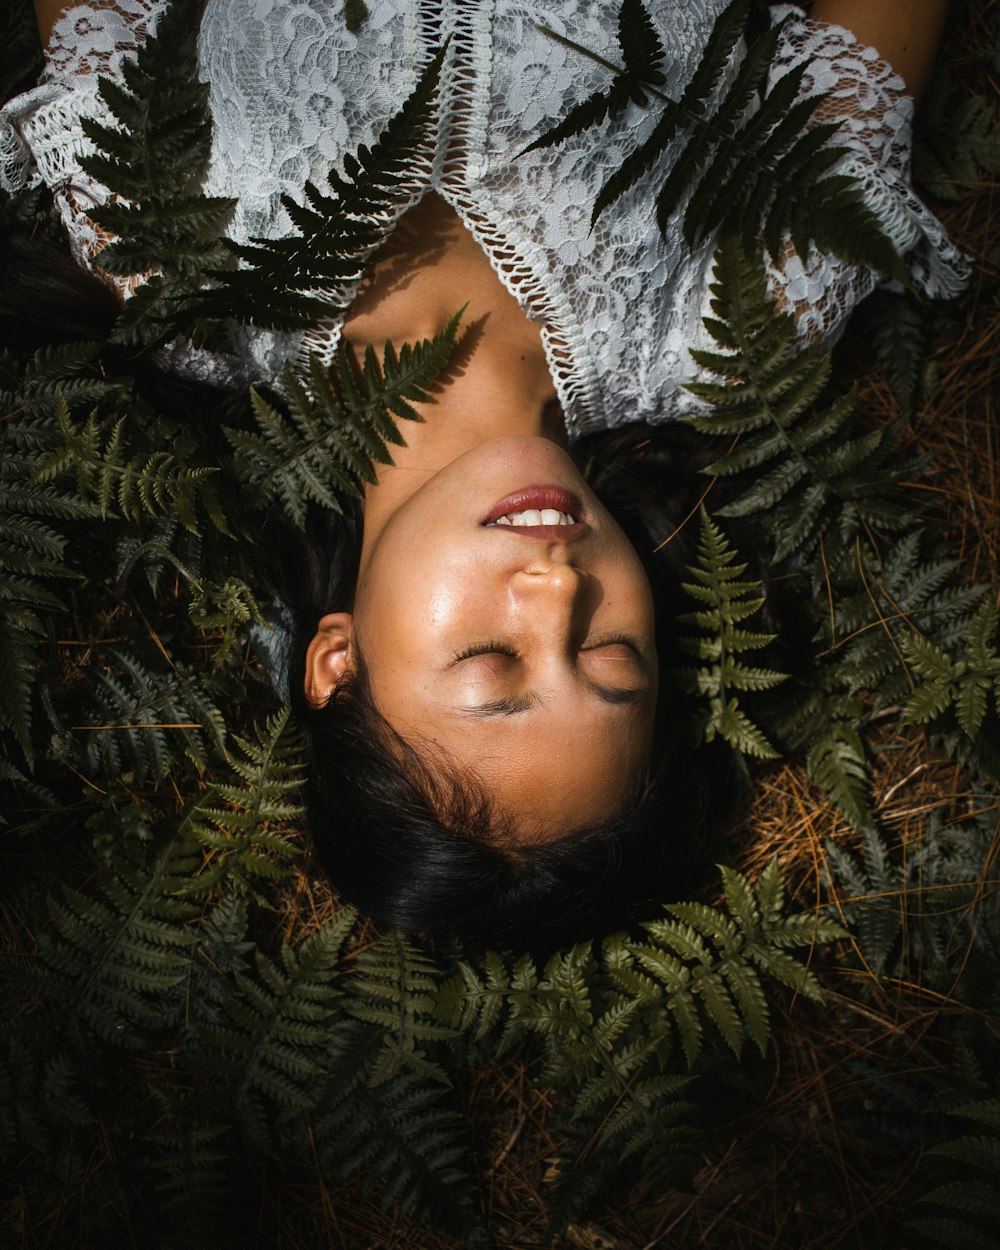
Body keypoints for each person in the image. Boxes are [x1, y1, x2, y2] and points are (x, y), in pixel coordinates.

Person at [3, 0, 967, 942]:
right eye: (611, 656)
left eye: (490, 660)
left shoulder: (168, 274)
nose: (557, 588)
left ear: (336, 663)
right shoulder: (751, 316)